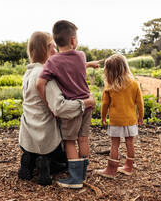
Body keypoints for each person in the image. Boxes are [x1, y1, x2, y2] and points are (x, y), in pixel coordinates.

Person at [18, 31, 96, 186]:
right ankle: (46, 163)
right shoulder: (46, 77)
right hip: (45, 137)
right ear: (47, 48)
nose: (55, 51)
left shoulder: (28, 73)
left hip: (27, 136)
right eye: (52, 46)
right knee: (67, 145)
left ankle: (30, 160)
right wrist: (86, 102)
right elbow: (60, 108)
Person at [36, 20, 99, 189]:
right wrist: (89, 64)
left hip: (72, 108)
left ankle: (75, 179)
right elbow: (75, 67)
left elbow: (39, 84)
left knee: (70, 141)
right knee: (83, 138)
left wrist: (48, 104)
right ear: (72, 41)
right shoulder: (81, 55)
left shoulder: (52, 62)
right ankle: (83, 174)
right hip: (87, 104)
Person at [96, 53, 144, 178]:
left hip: (116, 120)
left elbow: (104, 104)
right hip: (130, 120)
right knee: (130, 143)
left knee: (114, 144)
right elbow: (140, 103)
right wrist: (141, 117)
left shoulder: (110, 87)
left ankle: (111, 170)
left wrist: (103, 117)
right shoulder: (134, 84)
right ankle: (128, 167)